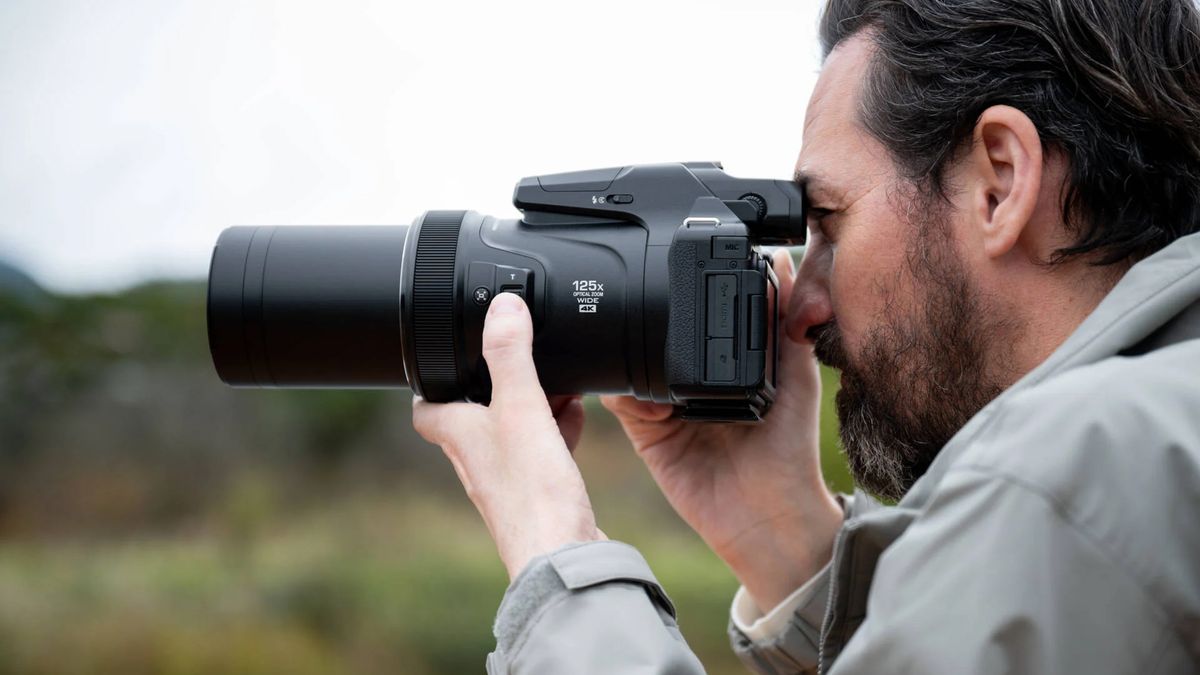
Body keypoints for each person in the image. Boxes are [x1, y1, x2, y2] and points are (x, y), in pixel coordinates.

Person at [413, 0, 1200, 672]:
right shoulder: (1159, 443)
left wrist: (559, 556)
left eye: (827, 221)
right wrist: (788, 535)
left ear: (998, 180)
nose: (799, 307)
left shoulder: (1072, 473)